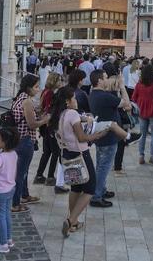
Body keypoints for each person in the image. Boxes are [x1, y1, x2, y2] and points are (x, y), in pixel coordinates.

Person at [48, 87, 110, 237]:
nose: (76, 101)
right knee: (90, 188)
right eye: (73, 98)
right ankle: (71, 220)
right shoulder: (72, 114)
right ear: (67, 102)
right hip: (80, 154)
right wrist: (98, 135)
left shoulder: (58, 115)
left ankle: (74, 221)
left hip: (67, 154)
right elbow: (82, 137)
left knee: (76, 188)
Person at [89, 69, 129, 208]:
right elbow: (126, 103)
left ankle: (101, 190)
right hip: (108, 136)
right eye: (105, 77)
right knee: (103, 167)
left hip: (101, 135)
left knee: (100, 164)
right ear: (99, 80)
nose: (107, 80)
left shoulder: (93, 94)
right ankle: (96, 196)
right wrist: (122, 87)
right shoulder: (104, 96)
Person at [11, 75, 50, 213]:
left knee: (24, 170)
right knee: (21, 173)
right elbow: (32, 124)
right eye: (36, 87)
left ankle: (25, 195)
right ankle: (15, 203)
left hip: (19, 139)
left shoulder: (20, 97)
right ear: (29, 87)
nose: (38, 89)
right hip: (25, 140)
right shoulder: (26, 101)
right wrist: (45, 120)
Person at [34, 73, 66, 193]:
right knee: (56, 151)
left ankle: (39, 174)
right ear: (54, 81)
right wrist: (52, 127)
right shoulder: (51, 93)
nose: (61, 81)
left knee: (47, 152)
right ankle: (51, 176)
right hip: (49, 126)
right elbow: (49, 110)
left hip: (44, 126)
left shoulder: (45, 91)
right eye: (59, 80)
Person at [132, 64, 153, 166]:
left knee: (142, 134)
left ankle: (141, 156)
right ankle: (152, 157)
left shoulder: (139, 84)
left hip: (142, 111)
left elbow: (134, 97)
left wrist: (140, 102)